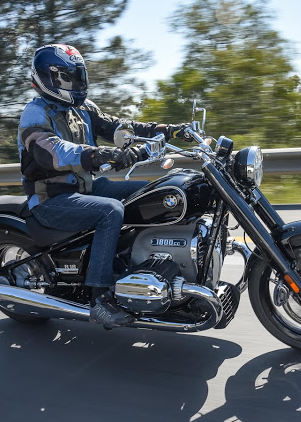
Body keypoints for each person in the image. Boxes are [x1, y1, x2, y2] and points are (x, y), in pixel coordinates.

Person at [18, 44, 190, 328]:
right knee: (110, 211)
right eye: (66, 77)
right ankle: (100, 297)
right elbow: (51, 150)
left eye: (77, 75)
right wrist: (97, 154)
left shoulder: (84, 108)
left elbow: (123, 127)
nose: (74, 82)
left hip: (85, 189)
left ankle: (141, 266)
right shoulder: (35, 113)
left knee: (149, 193)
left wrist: (169, 129)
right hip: (51, 198)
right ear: (47, 79)